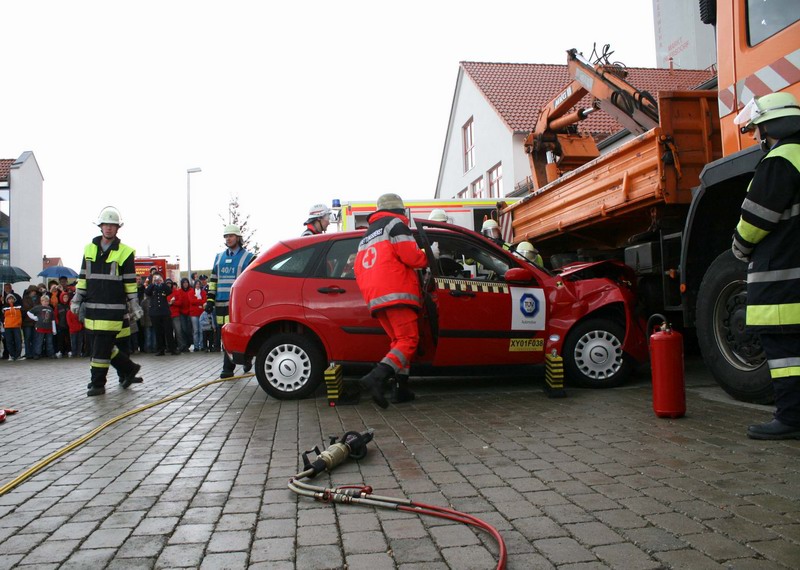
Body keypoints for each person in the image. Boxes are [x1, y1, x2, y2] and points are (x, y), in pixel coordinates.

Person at [731, 92, 800, 440]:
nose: (756, 136)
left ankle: (791, 419)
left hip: (783, 282)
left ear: (770, 127)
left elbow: (756, 218)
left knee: (786, 356)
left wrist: (739, 247)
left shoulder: (780, 159)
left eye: (757, 128)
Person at [354, 193, 429, 408]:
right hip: (397, 293)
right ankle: (375, 377)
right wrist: (429, 255)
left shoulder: (367, 235)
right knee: (409, 340)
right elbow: (412, 257)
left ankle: (401, 389)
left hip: (376, 297)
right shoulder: (395, 225)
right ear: (400, 210)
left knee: (399, 342)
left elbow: (358, 268)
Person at [71, 206, 144, 396]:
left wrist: (134, 304)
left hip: (113, 309)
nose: (109, 228)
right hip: (92, 309)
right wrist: (77, 299)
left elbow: (129, 282)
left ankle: (98, 384)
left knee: (100, 350)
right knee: (101, 347)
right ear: (100, 226)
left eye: (112, 225)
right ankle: (129, 368)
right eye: (106, 225)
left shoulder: (125, 252)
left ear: (117, 228)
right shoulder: (88, 249)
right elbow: (83, 278)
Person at [206, 224, 255, 378]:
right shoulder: (218, 257)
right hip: (220, 304)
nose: (228, 239)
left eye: (231, 236)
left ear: (238, 237)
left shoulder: (249, 257)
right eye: (226, 236)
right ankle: (241, 361)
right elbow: (213, 280)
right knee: (224, 336)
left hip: (238, 305)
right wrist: (210, 300)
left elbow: (251, 281)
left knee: (237, 335)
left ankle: (228, 368)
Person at [146, 273, 178, 356]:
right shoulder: (152, 287)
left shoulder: (163, 287)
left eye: (158, 278)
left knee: (169, 331)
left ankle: (172, 349)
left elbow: (169, 291)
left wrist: (162, 282)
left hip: (164, 312)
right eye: (155, 278)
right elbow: (147, 292)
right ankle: (160, 349)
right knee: (158, 332)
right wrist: (153, 283)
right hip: (155, 313)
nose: (157, 279)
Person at [27, 294, 56, 359]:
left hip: (49, 328)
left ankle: (51, 353)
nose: (46, 303)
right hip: (40, 328)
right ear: (41, 301)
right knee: (39, 341)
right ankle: (37, 354)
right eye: (44, 301)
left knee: (49, 342)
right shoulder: (38, 307)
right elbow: (29, 312)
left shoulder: (50, 309)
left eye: (47, 301)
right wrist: (35, 318)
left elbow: (53, 319)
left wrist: (54, 329)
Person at [2, 294, 22, 361]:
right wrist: (4, 322)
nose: (10, 300)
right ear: (7, 300)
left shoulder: (18, 306)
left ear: (14, 299)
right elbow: (2, 316)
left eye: (12, 298)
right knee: (9, 341)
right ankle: (12, 355)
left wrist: (19, 322)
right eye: (9, 299)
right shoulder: (4, 307)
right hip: (7, 326)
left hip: (16, 326)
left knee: (18, 341)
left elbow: (22, 315)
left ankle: (18, 355)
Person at [189, 278, 207, 351]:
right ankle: (196, 346)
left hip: (201, 313)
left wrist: (197, 301)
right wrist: (200, 301)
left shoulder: (203, 292)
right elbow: (191, 301)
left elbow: (204, 301)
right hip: (194, 313)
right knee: (196, 330)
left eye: (199, 284)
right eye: (197, 284)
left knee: (201, 330)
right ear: (194, 285)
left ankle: (202, 345)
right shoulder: (191, 292)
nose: (198, 285)